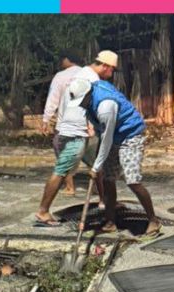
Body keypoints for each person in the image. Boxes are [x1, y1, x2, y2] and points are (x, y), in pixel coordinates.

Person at [69, 64, 163, 238]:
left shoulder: (106, 105)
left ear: (88, 94)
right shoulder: (90, 97)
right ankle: (110, 221)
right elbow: (102, 133)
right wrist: (98, 163)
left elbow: (107, 138)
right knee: (107, 179)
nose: (80, 105)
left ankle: (153, 220)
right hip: (113, 135)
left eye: (81, 101)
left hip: (130, 135)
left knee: (132, 180)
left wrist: (96, 166)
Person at [35, 53, 103, 227]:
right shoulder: (88, 77)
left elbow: (56, 100)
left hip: (72, 130)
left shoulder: (67, 78)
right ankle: (43, 211)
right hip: (76, 132)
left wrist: (46, 119)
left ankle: (103, 200)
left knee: (97, 164)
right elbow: (91, 105)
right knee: (63, 169)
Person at [40, 51, 85, 197]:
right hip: (87, 123)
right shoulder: (88, 74)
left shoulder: (61, 76)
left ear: (67, 59)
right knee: (93, 157)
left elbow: (53, 99)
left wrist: (46, 120)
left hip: (66, 124)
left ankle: (69, 186)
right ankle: (99, 190)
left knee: (63, 154)